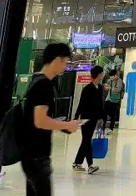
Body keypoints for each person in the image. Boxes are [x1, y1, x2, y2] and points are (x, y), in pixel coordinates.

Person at [21, 43, 82, 196]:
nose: (66, 67)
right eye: (65, 62)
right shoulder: (44, 85)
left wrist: (62, 126)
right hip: (37, 155)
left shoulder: (36, 80)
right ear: (57, 60)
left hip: (30, 152)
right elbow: (40, 121)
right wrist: (66, 124)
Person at [73, 66, 106, 174]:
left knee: (86, 141)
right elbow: (81, 104)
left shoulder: (100, 88)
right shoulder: (87, 89)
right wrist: (75, 118)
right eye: (102, 73)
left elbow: (100, 104)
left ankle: (77, 163)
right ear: (98, 74)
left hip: (94, 118)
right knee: (87, 141)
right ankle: (90, 165)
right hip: (85, 119)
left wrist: (102, 117)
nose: (103, 75)